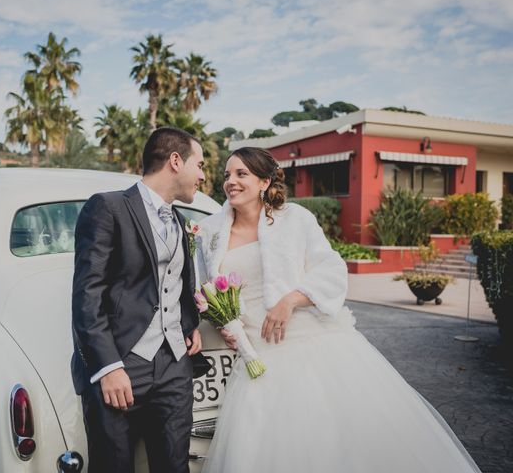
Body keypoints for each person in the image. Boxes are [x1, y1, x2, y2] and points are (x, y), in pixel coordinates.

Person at [198, 147, 482, 473]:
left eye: (241, 174)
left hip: (305, 340)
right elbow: (206, 289)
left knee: (324, 438)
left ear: (264, 182)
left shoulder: (295, 219)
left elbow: (331, 270)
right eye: (226, 175)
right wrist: (221, 323)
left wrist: (291, 299)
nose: (230, 182)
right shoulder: (211, 232)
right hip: (251, 349)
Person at [71, 127, 210, 473]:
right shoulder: (108, 207)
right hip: (121, 364)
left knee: (174, 466)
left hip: (175, 367)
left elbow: (171, 283)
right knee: (113, 465)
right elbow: (87, 296)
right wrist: (108, 367)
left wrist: (189, 324)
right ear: (175, 161)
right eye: (200, 164)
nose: (204, 175)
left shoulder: (179, 220)